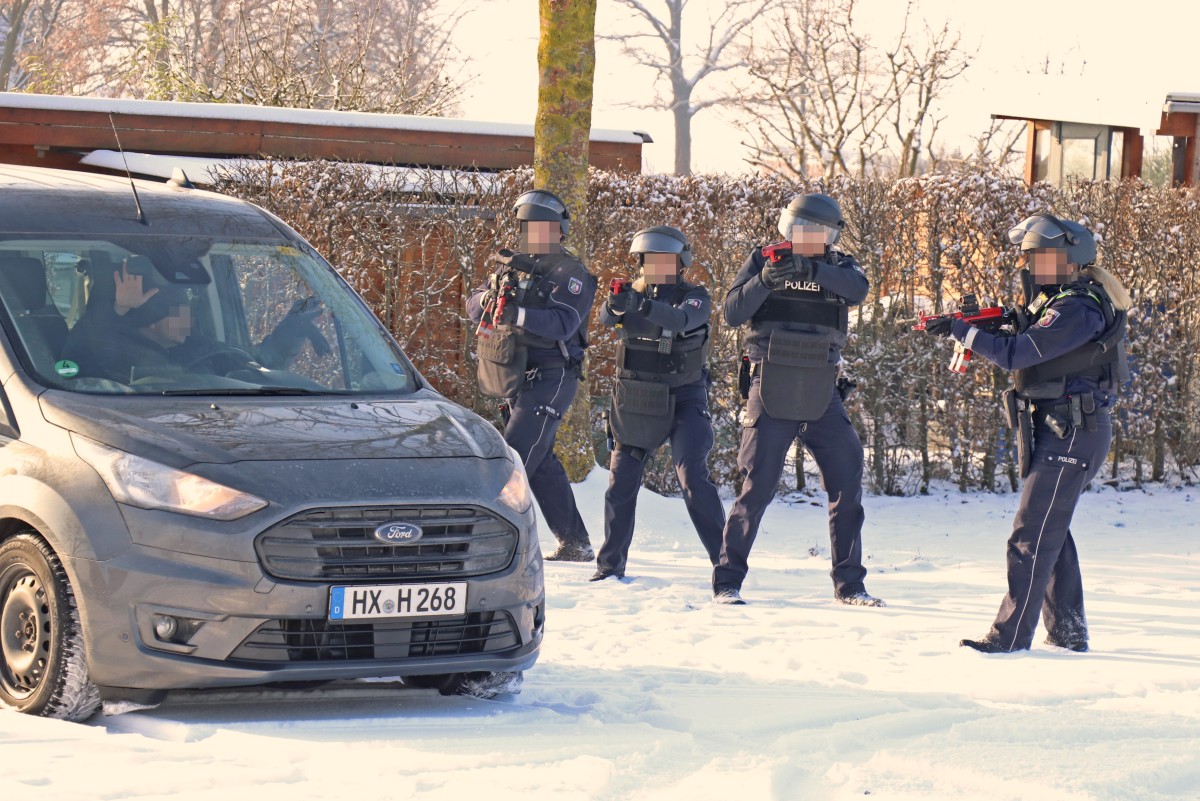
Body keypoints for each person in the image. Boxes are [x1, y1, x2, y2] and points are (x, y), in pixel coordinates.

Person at [923, 213, 1131, 653]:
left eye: (1043, 256)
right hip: (1063, 427)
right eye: (1031, 256)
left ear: (1071, 260)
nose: (1034, 264)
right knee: (1052, 531)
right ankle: (1069, 634)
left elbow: (1017, 354)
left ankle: (1010, 637)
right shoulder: (1057, 300)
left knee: (1030, 535)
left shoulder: (1079, 307)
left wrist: (965, 331)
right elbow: (1025, 335)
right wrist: (988, 324)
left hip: (1073, 429)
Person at [714, 193, 881, 606]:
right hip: (770, 384)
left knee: (846, 479)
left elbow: (858, 290)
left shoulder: (840, 265)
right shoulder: (763, 259)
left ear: (829, 235)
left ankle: (850, 585)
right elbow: (733, 312)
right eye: (802, 230)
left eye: (818, 232)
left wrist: (811, 269)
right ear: (789, 228)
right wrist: (767, 280)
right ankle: (727, 581)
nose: (809, 238)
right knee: (757, 486)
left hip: (822, 389)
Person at [466, 189, 598, 562]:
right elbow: (473, 303)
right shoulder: (511, 264)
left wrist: (516, 314)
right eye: (530, 226)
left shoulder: (572, 274)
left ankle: (488, 543)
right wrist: (490, 300)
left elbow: (563, 322)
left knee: (514, 457)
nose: (537, 233)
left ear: (560, 231)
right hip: (515, 374)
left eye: (545, 226)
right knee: (541, 463)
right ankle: (575, 542)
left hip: (553, 375)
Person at [591, 226, 725, 581]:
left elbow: (682, 320)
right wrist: (614, 303)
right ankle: (609, 568)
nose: (657, 266)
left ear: (681, 263)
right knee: (620, 481)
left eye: (665, 260)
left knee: (691, 476)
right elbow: (606, 318)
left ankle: (726, 566)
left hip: (685, 397)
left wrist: (643, 305)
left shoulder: (696, 295)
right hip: (637, 399)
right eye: (650, 260)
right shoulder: (633, 296)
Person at [60, 256, 327, 383]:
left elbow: (257, 368)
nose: (190, 319)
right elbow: (78, 357)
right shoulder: (112, 354)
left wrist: (291, 330)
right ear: (153, 317)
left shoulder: (201, 348)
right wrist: (119, 307)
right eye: (180, 311)